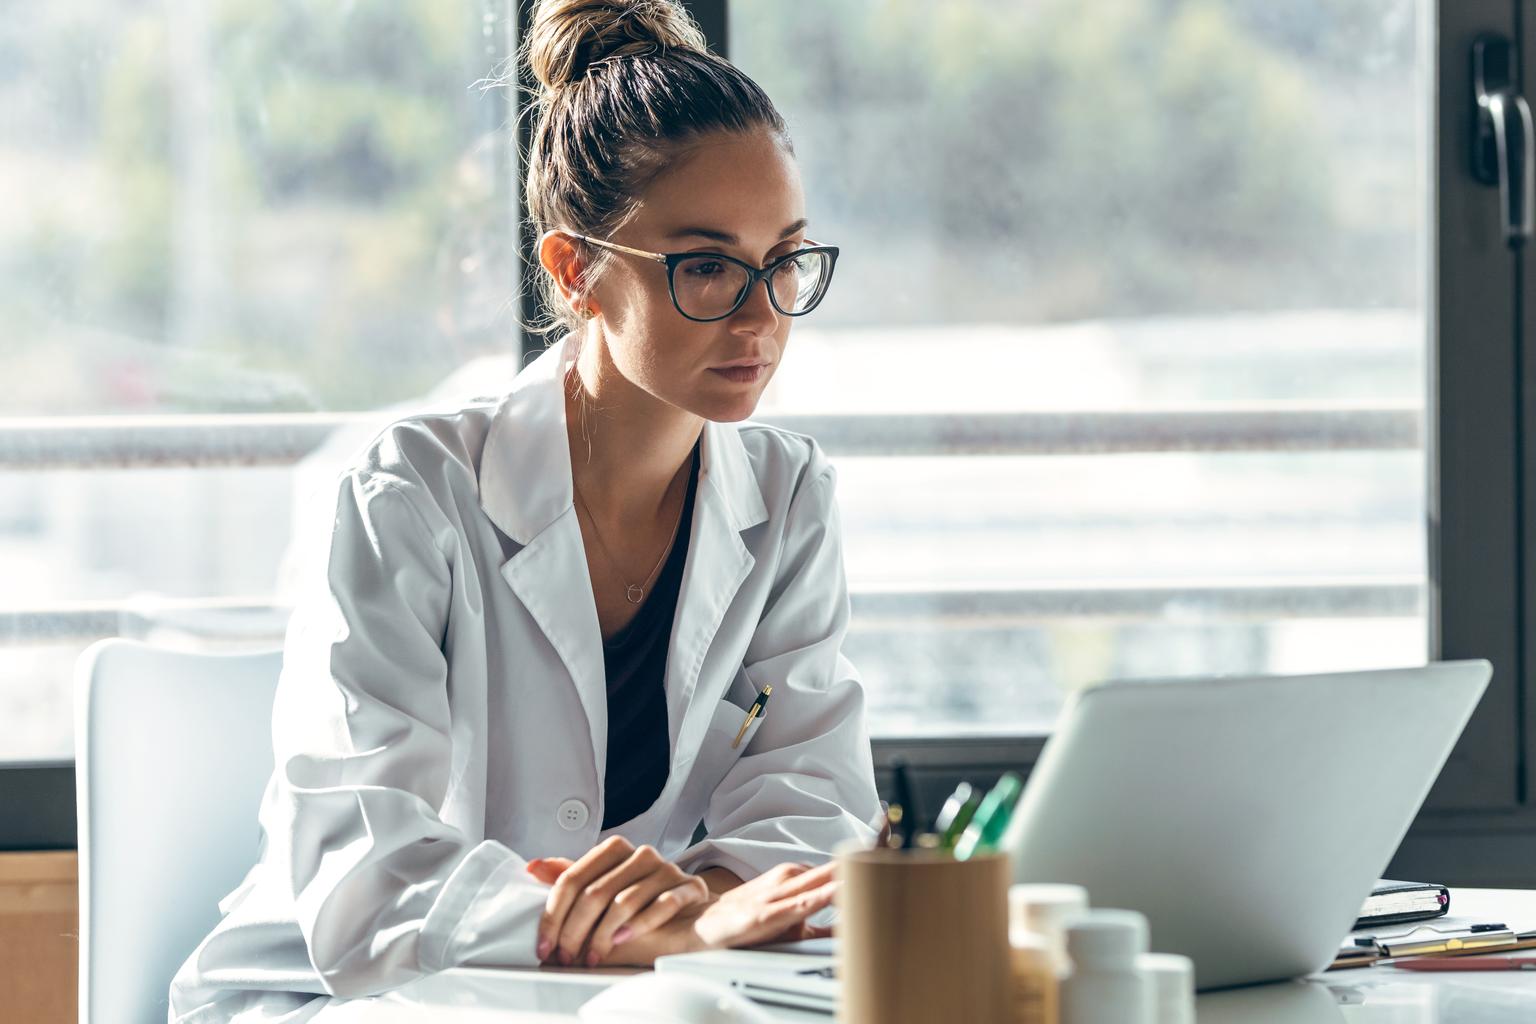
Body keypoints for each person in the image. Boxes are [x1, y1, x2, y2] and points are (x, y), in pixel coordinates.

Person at [167, 1, 882, 1019]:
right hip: (342, 993)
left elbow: (813, 802)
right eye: (709, 267)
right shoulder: (407, 491)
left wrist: (706, 907)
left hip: (616, 987)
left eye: (785, 260)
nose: (762, 315)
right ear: (574, 269)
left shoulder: (788, 495)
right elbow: (368, 878)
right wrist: (658, 931)